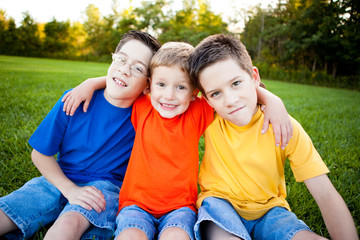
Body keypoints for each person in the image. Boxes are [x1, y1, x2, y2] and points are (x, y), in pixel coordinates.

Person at [62, 41, 293, 240]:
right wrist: (92, 82)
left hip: (180, 207)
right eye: (161, 85)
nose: (169, 96)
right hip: (134, 204)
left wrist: (273, 100)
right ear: (149, 86)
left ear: (195, 92)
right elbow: (124, 80)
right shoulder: (143, 105)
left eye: (181, 87)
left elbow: (230, 94)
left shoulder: (198, 110)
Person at [188, 33, 359, 240]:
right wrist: (270, 97)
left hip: (271, 212)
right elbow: (168, 95)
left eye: (236, 83)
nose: (231, 100)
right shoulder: (209, 117)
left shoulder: (285, 126)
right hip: (219, 205)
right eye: (216, 93)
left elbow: (325, 194)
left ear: (254, 77)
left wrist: (269, 99)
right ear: (206, 99)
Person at [0, 30, 161, 240]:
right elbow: (40, 154)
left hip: (104, 186)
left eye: (138, 68)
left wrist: (93, 81)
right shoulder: (74, 99)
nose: (125, 70)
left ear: (148, 84)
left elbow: (174, 88)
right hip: (58, 177)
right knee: (11, 208)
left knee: (68, 224)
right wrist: (70, 190)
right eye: (121, 59)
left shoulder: (146, 112)